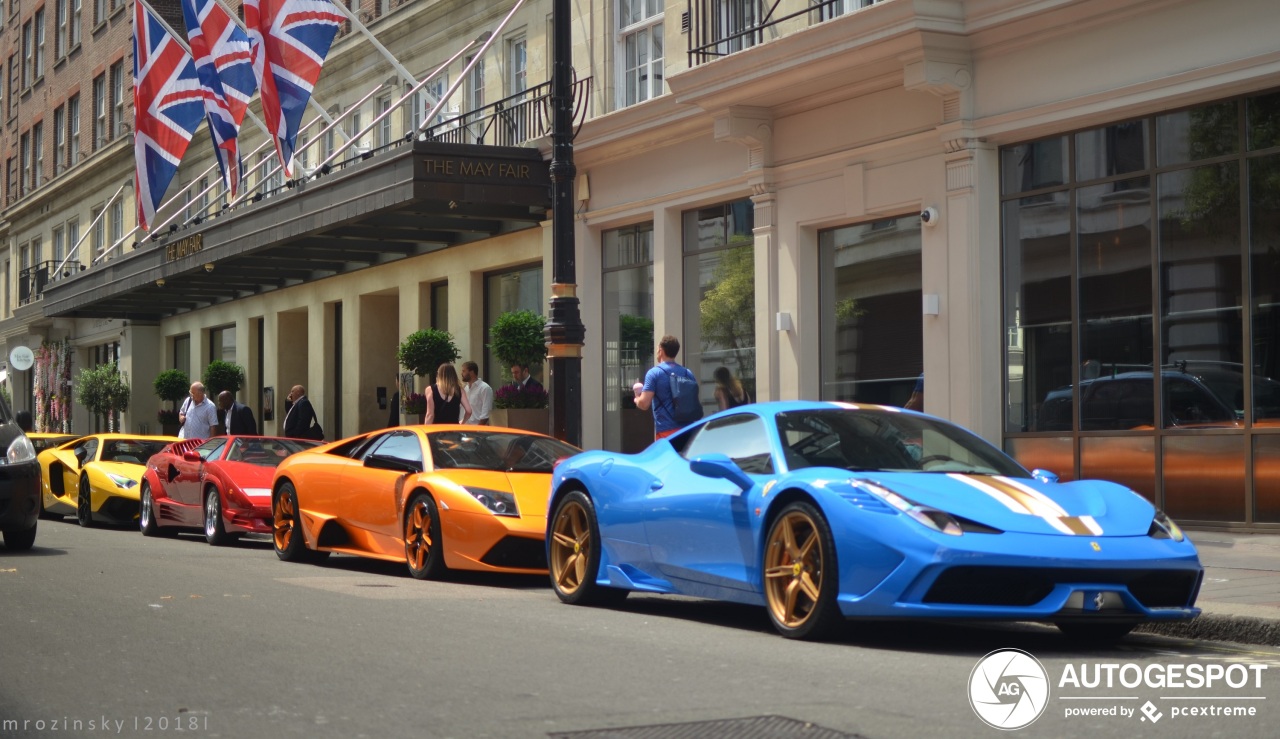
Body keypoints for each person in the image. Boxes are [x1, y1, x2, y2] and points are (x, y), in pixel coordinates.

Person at [635, 335, 698, 440]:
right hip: (688, 431)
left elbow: (644, 404)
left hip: (666, 433)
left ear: (661, 349)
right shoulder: (687, 373)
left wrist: (637, 398)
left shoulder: (654, 373)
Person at [461, 361, 493, 425]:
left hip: (478, 430)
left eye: (464, 371)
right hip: (465, 429)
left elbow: (486, 414)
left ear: (472, 372)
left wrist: (477, 430)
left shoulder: (485, 388)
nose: (461, 373)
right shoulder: (465, 389)